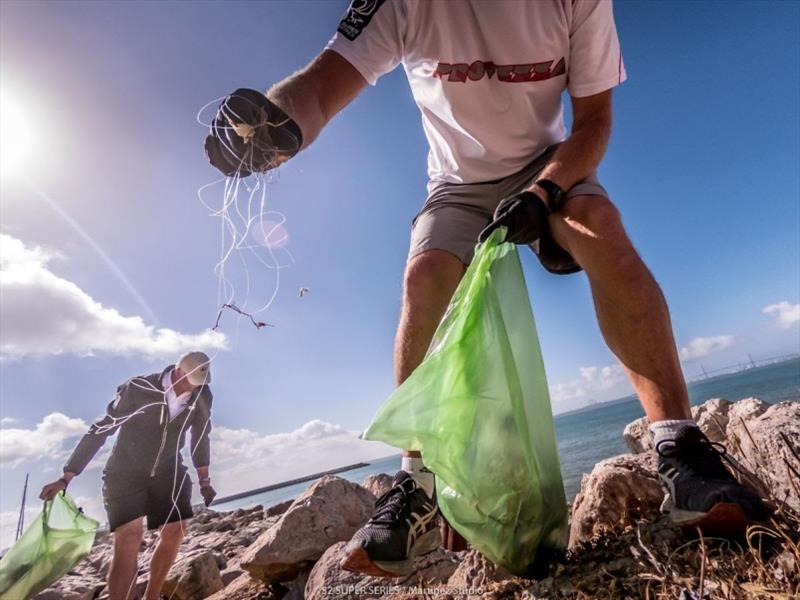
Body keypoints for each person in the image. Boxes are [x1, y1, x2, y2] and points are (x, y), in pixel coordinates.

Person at [204, 0, 768, 578]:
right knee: (424, 278)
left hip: (552, 166)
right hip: (456, 186)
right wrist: (274, 127)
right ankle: (418, 485)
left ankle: (681, 450)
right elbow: (322, 84)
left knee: (599, 231)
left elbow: (594, 124)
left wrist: (546, 193)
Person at [39, 351, 217, 600]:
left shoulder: (202, 395)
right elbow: (102, 429)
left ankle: (152, 597)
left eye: (201, 383)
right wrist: (66, 477)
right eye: (192, 381)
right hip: (124, 472)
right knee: (130, 537)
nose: (196, 388)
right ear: (178, 372)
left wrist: (205, 481)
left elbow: (200, 437)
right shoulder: (139, 388)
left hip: (168, 469)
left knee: (176, 529)